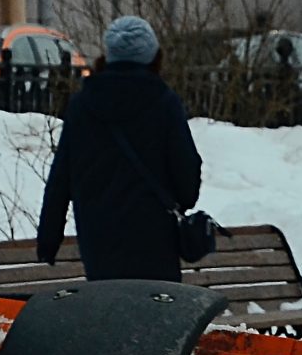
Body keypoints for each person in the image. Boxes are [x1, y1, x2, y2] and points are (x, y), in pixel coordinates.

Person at [35, 15, 204, 283]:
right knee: (159, 314)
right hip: (155, 239)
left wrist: (48, 239)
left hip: (98, 238)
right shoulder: (164, 103)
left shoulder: (82, 106)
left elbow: (60, 178)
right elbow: (186, 179)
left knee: (108, 314)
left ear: (108, 55)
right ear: (153, 56)